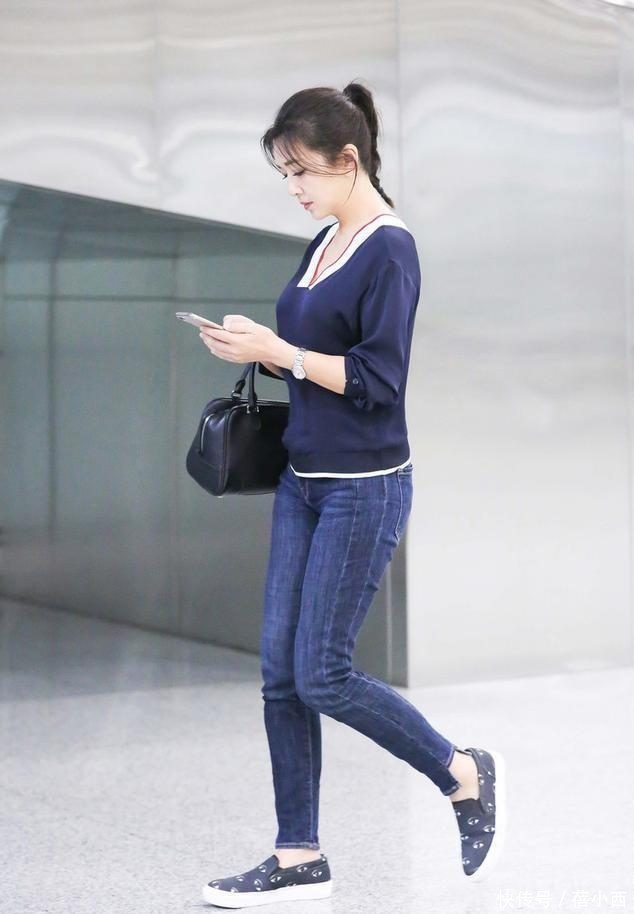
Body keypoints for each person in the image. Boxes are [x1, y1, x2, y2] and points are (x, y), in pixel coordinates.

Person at [198, 81, 506, 908]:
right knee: (279, 675)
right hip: (303, 481)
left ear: (348, 160)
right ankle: (298, 855)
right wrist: (255, 350)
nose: (293, 188)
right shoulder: (325, 241)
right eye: (284, 175)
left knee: (324, 674)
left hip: (363, 490)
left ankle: (462, 773)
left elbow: (377, 381)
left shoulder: (389, 249)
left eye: (301, 171)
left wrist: (280, 353)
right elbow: (311, 354)